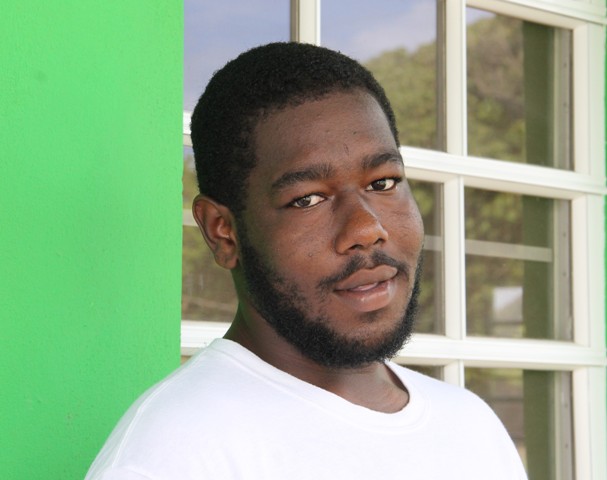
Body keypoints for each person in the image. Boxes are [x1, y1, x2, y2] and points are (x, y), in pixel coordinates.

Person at [86, 42, 527, 479]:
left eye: (384, 182)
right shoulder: (177, 453)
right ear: (223, 231)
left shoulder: (471, 426)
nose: (366, 228)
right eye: (307, 199)